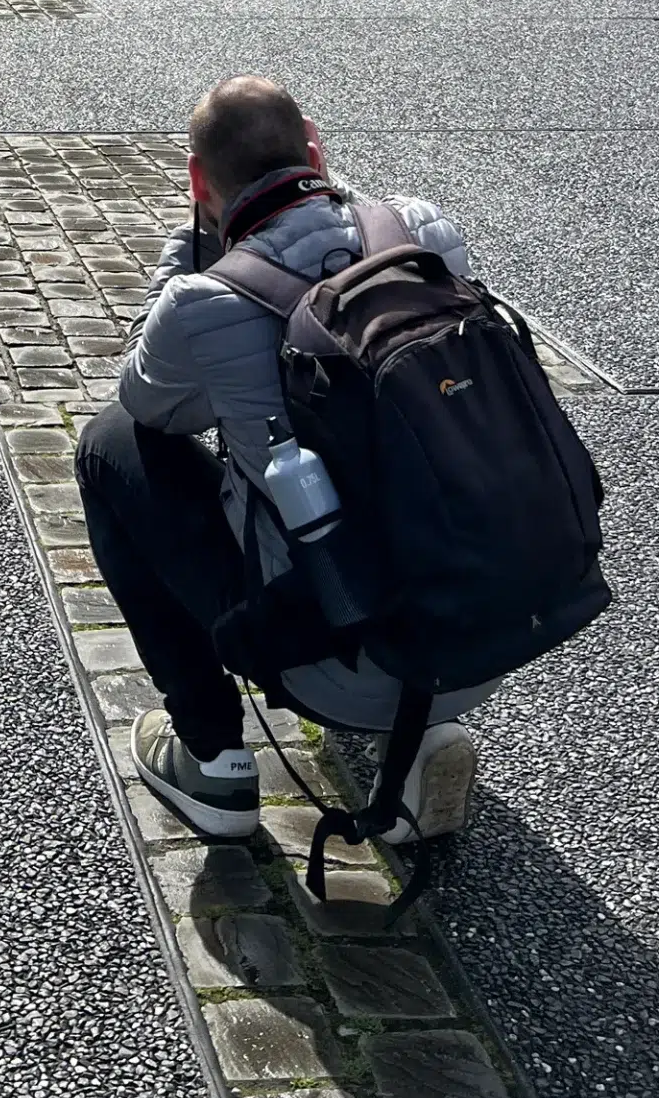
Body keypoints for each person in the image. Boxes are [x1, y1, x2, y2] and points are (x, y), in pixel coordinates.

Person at [75, 75, 488, 846]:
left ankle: (212, 759)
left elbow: (149, 405)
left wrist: (192, 251)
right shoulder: (424, 230)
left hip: (323, 658)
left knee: (109, 447)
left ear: (201, 182)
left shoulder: (207, 301)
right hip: (487, 626)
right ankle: (422, 739)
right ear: (316, 150)